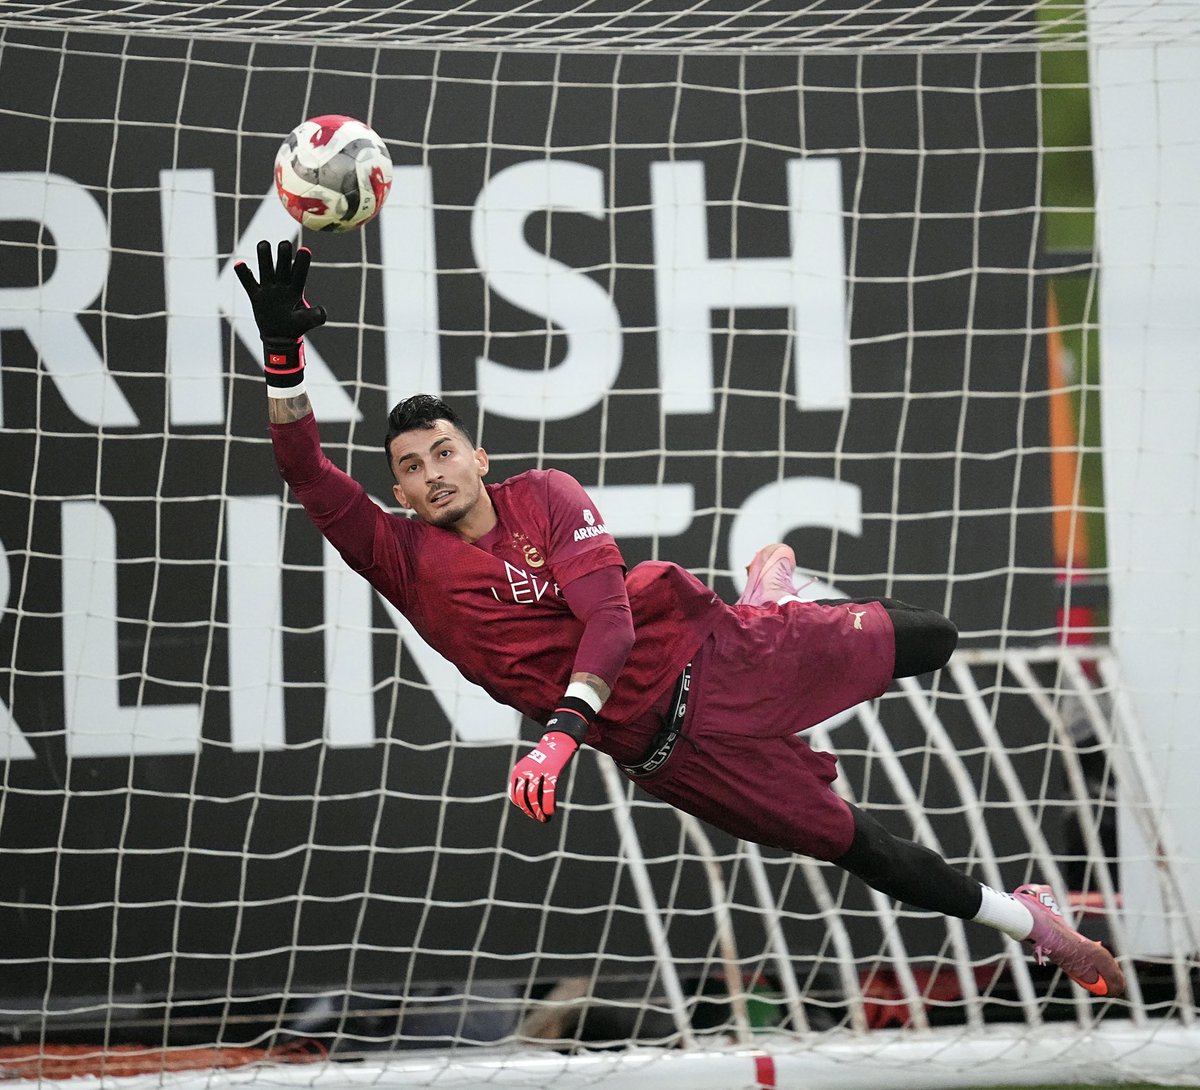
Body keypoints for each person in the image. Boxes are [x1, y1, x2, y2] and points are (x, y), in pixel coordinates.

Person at [234, 240, 1126, 1001]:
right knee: (867, 852)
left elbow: (611, 627)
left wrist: (557, 739)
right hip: (672, 757)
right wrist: (282, 353)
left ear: (477, 454)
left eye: (444, 452)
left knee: (931, 638)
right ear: (399, 492)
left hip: (717, 660)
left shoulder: (545, 496)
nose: (433, 472)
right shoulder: (400, 558)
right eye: (412, 467)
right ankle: (1032, 922)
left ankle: (774, 604)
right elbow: (306, 469)